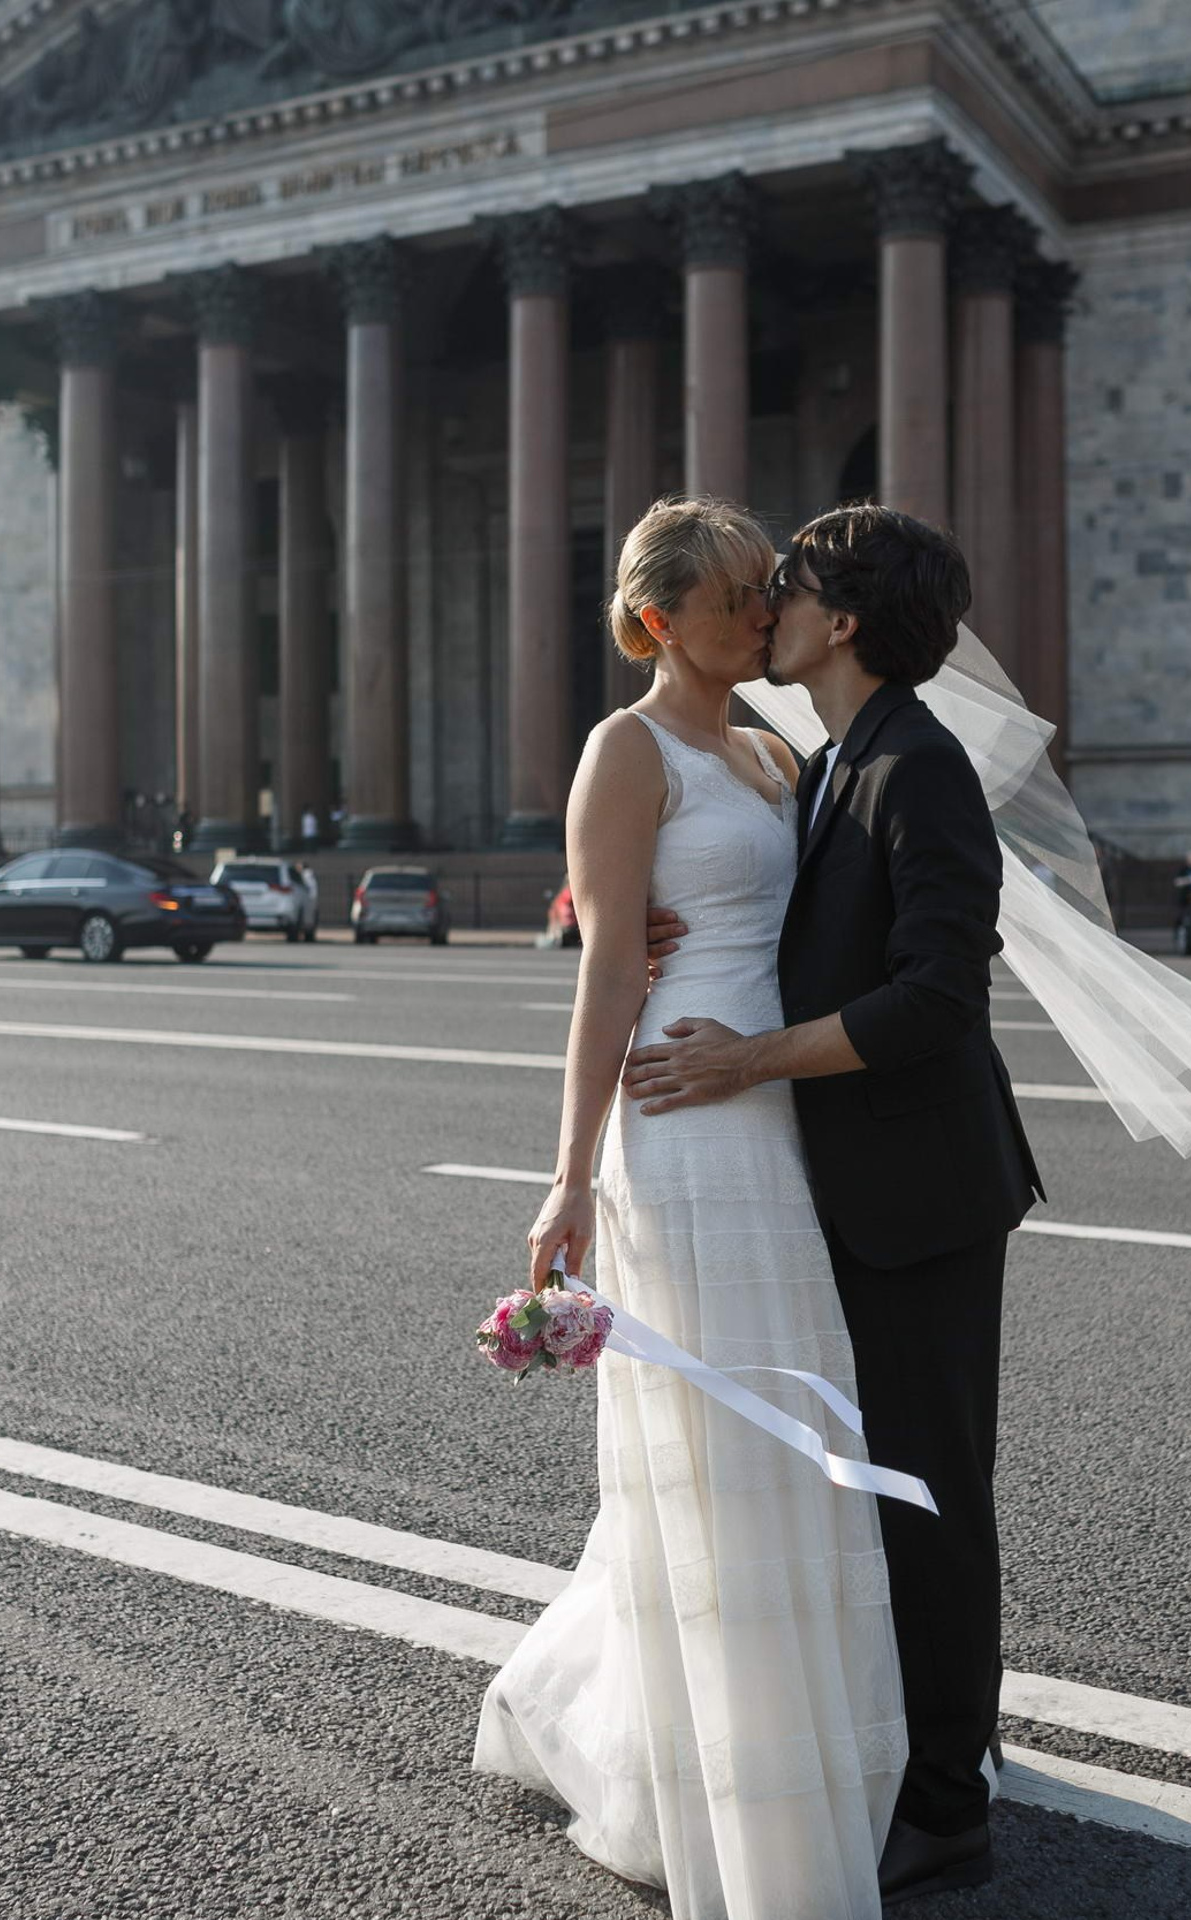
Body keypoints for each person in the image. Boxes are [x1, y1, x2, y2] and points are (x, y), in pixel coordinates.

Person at [474, 498, 911, 1919]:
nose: (759, 611)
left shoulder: (776, 754)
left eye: (764, 588)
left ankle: (782, 1735)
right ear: (661, 619)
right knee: (713, 1441)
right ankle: (721, 1773)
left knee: (781, 1434)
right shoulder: (627, 746)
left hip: (773, 1113)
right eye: (732, 596)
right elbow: (608, 969)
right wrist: (563, 1175)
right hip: (674, 1124)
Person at [616, 505, 1041, 1904]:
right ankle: (909, 1741)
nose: (765, 609)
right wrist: (634, 916)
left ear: (841, 621)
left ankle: (947, 1804)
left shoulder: (917, 767)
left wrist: (742, 1057)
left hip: (919, 1194)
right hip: (837, 1183)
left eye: (785, 588)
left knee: (929, 1491)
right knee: (870, 1483)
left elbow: (937, 997)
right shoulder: (819, 760)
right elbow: (731, 875)